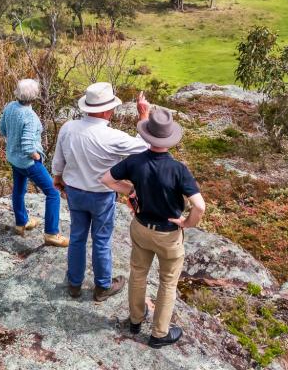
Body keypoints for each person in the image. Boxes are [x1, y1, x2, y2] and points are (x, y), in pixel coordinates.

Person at [101, 103, 205, 348]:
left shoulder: (135, 162)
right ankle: (159, 334)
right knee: (168, 283)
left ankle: (136, 320)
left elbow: (106, 179)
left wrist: (131, 189)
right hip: (169, 234)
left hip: (141, 227)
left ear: (148, 134)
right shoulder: (179, 170)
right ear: (170, 138)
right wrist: (186, 223)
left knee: (138, 273)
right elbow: (199, 206)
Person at [52, 82, 149, 301]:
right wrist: (143, 115)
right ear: (106, 110)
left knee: (77, 237)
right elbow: (144, 146)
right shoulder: (112, 136)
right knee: (101, 240)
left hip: (75, 191)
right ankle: (102, 286)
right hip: (102, 194)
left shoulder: (69, 127)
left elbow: (59, 158)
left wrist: (57, 178)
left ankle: (74, 284)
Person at [0, 79, 68, 247]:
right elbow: (28, 145)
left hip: (14, 159)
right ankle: (52, 233)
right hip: (28, 162)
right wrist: (36, 156)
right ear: (35, 96)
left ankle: (21, 222)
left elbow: (2, 129)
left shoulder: (9, 107)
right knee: (53, 193)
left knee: (19, 190)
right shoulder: (30, 116)